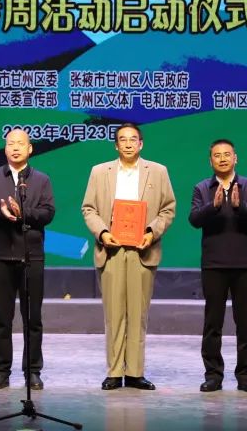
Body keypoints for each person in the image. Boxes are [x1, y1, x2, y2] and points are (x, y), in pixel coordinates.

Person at [81, 122, 176, 391]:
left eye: (133, 139)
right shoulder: (100, 172)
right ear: (116, 145)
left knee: (138, 313)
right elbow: (88, 208)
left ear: (141, 143)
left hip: (142, 249)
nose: (128, 143)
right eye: (122, 139)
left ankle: (135, 373)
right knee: (114, 314)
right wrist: (102, 232)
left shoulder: (158, 171)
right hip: (111, 249)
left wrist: (151, 232)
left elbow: (168, 208)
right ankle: (114, 372)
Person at [0, 128, 56, 391]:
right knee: (1, 318)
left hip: (32, 256)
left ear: (30, 148)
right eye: (11, 143)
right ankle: (1, 371)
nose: (16, 148)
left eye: (21, 143)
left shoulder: (41, 180)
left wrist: (24, 213)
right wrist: (0, 213)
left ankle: (32, 371)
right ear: (5, 148)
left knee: (33, 319)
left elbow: (48, 213)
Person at [188, 139, 247, 394]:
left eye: (227, 154)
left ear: (235, 158)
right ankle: (213, 375)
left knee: (246, 323)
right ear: (210, 161)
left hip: (245, 264)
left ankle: (246, 376)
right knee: (213, 323)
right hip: (214, 264)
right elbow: (194, 219)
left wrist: (239, 206)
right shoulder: (202, 188)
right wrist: (213, 206)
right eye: (217, 155)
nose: (222, 159)